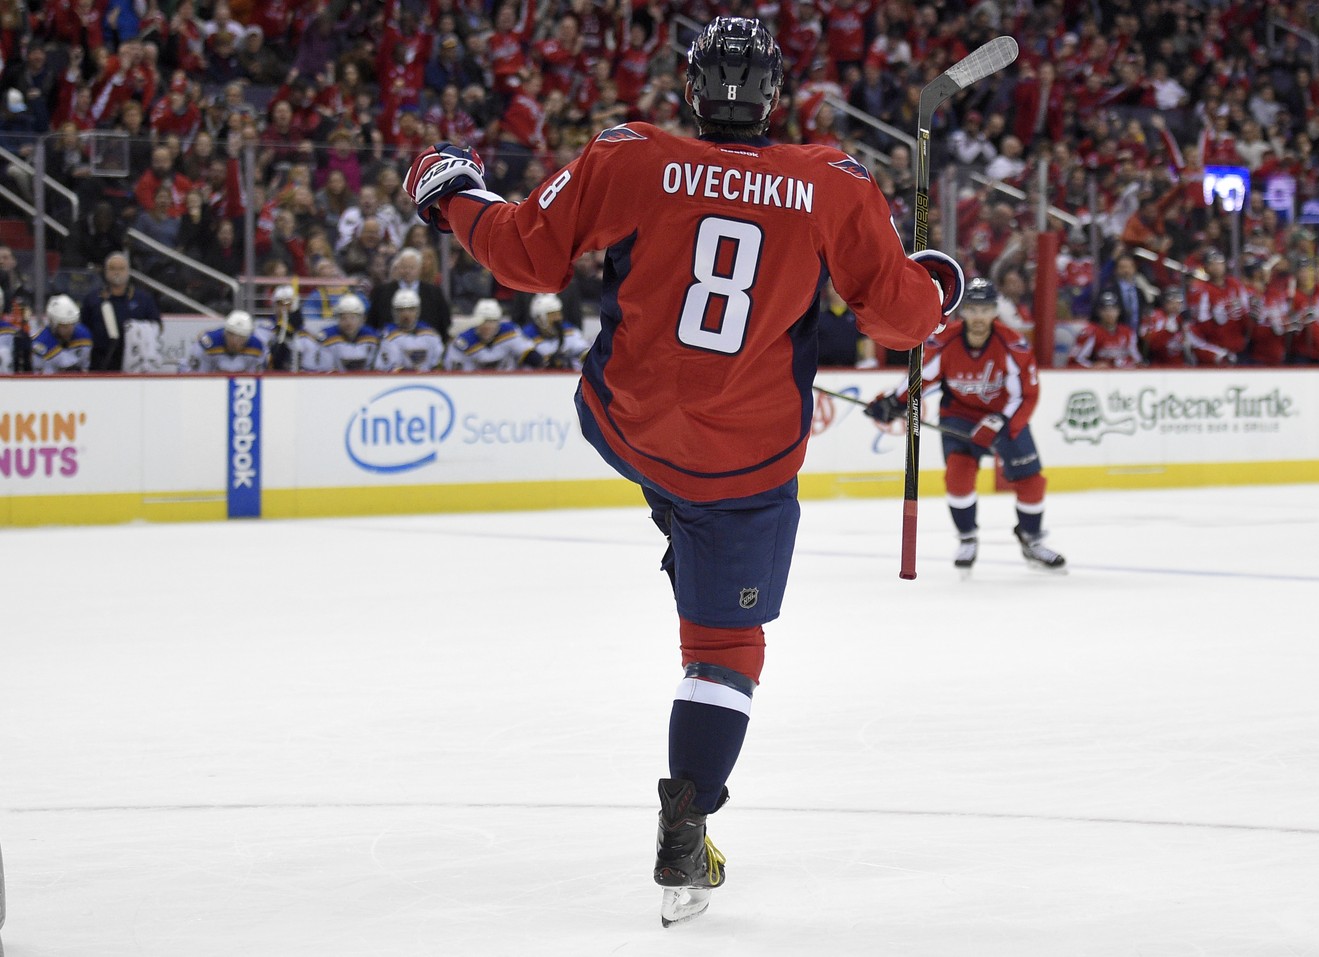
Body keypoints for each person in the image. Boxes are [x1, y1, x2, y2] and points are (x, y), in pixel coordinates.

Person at [403, 16, 963, 925]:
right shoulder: (833, 182)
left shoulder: (628, 155)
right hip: (742, 463)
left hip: (621, 422)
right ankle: (688, 815)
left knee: (674, 483)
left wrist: (453, 194)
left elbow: (525, 255)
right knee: (722, 650)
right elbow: (900, 320)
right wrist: (940, 284)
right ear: (775, 97)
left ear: (691, 89)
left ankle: (677, 520)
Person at [865, 278, 1064, 575]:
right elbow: (922, 378)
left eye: (985, 309)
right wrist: (892, 402)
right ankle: (967, 538)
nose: (979, 317)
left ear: (995, 311)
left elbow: (1027, 395)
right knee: (958, 476)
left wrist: (998, 423)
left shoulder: (1013, 345)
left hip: (1006, 417)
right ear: (963, 312)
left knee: (1031, 482)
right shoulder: (945, 341)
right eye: (972, 309)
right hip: (960, 415)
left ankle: (1032, 539)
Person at [79, 251, 164, 372]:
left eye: (121, 268)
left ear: (128, 271)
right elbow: (84, 328)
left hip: (134, 364)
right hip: (100, 363)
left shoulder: (143, 299)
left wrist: (138, 330)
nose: (117, 272)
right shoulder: (93, 299)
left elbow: (157, 326)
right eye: (112, 268)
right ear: (106, 271)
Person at [367, 247, 453, 340]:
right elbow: (373, 322)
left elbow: (444, 322)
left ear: (420, 269)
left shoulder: (434, 293)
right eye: (404, 267)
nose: (407, 271)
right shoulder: (381, 292)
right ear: (398, 268)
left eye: (411, 267)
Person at [443, 298, 534, 371]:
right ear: (476, 322)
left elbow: (533, 357)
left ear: (499, 322)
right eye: (484, 321)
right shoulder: (463, 342)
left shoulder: (510, 332)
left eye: (492, 321)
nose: (487, 326)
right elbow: (454, 373)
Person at [376, 289, 445, 372]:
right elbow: (391, 370)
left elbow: (438, 366)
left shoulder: (431, 335)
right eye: (401, 310)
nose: (406, 314)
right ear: (394, 312)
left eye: (411, 309)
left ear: (418, 311)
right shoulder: (388, 337)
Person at [1070, 290, 1142, 368]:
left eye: (1113, 309)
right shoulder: (1090, 333)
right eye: (1105, 309)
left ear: (1119, 311)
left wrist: (1128, 365)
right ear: (1099, 312)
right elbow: (1076, 360)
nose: (1109, 313)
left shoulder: (1127, 332)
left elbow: (1137, 360)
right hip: (1099, 376)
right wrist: (1093, 366)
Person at [182, 309, 267, 373]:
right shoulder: (208, 344)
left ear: (248, 337)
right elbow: (195, 377)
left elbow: (255, 380)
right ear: (225, 332)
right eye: (231, 334)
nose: (235, 341)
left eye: (241, 337)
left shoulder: (257, 348)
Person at [521, 293, 590, 369]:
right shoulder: (525, 337)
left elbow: (584, 353)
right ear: (540, 318)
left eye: (559, 313)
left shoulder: (570, 331)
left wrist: (567, 361)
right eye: (552, 314)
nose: (558, 318)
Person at [314, 293, 381, 372]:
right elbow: (325, 371)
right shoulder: (328, 337)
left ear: (362, 319)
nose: (348, 323)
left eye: (353, 318)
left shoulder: (372, 337)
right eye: (344, 318)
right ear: (338, 319)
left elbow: (377, 370)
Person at [32, 295, 93, 374]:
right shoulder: (40, 344)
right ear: (53, 324)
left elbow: (85, 369)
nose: (69, 329)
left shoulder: (84, 336)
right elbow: (38, 378)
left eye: (72, 324)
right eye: (64, 325)